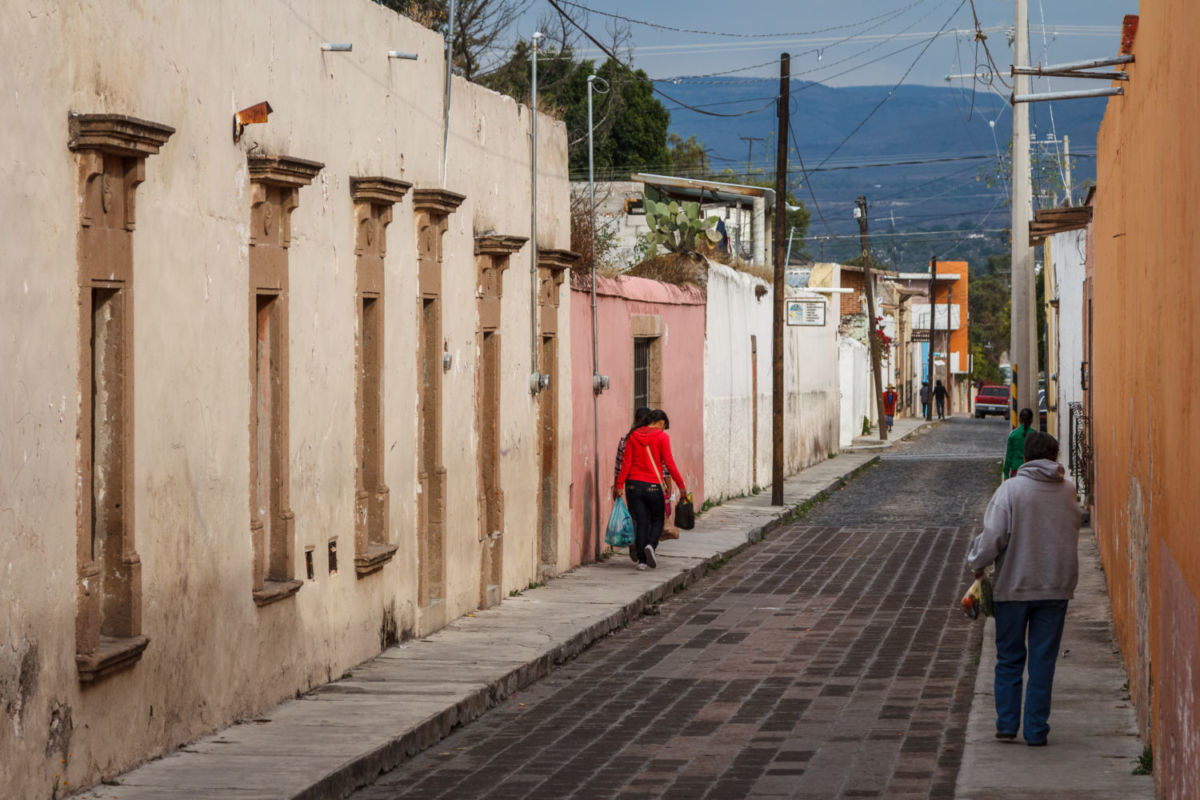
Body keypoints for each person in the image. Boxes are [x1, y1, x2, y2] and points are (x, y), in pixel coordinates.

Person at [966, 432, 1081, 746]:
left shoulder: (1011, 490)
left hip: (1014, 587)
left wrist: (977, 563)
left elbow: (992, 538)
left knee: (1009, 658)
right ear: (1054, 457)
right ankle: (1035, 731)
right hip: (1056, 588)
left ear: (1025, 458)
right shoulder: (1068, 490)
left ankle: (1006, 724)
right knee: (1043, 660)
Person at [615, 410, 686, 570]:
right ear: (661, 422)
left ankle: (641, 561)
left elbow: (626, 463)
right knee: (657, 520)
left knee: (641, 522)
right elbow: (669, 463)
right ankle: (651, 546)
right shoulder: (662, 437)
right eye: (664, 426)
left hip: (633, 485)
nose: (663, 429)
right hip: (653, 486)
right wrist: (680, 485)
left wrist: (620, 485)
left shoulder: (633, 436)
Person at [1004, 408, 1035, 479]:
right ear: (1031, 420)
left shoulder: (1013, 435)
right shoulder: (1035, 435)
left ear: (1019, 420)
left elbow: (1009, 455)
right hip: (1031, 469)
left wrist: (1006, 474)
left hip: (1016, 468)